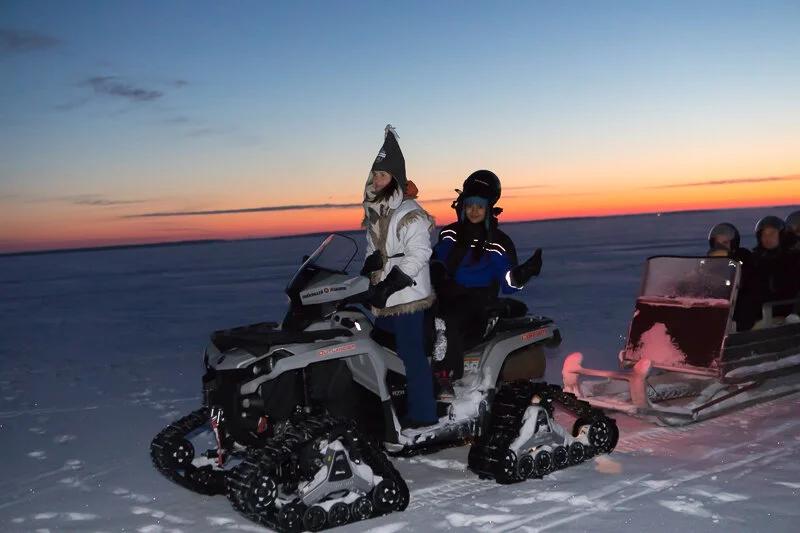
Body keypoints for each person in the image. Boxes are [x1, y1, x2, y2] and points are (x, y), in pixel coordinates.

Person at [430, 170, 542, 398]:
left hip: (477, 301)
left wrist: (524, 273)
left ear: (489, 208)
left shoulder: (497, 242)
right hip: (444, 293)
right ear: (462, 205)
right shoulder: (450, 234)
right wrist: (433, 269)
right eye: (470, 205)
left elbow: (508, 283)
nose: (474, 210)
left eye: (480, 206)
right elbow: (436, 258)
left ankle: (444, 379)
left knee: (446, 320)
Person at [360, 124, 438, 428]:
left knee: (410, 353)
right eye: (375, 175)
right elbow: (373, 251)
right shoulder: (377, 213)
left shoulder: (408, 212)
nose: (376, 180)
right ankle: (391, 403)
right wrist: (367, 274)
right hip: (385, 294)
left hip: (407, 294)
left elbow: (419, 253)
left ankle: (424, 415)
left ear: (395, 178)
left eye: (382, 175)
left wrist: (392, 283)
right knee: (379, 346)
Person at [706, 223, 758, 331]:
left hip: (741, 307)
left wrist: (730, 258)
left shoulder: (744, 255)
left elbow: (744, 279)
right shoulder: (710, 261)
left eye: (725, 243)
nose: (721, 247)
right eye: (718, 243)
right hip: (718, 306)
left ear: (734, 243)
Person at [751, 216, 799, 322]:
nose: (767, 237)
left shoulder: (793, 259)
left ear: (781, 235)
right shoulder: (755, 260)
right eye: (764, 234)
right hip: (758, 316)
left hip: (787, 316)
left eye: (772, 233)